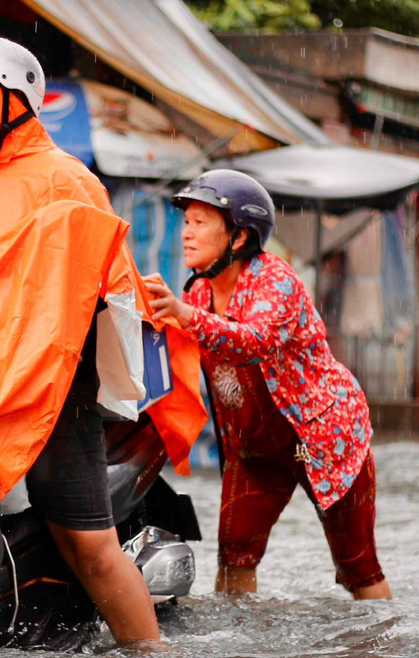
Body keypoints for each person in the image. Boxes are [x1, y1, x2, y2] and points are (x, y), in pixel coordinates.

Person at [0, 37, 162, 644]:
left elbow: (106, 285)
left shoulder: (67, 181)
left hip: (50, 387)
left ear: (12, 101)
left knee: (87, 543)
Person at [144, 170, 391, 600]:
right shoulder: (199, 293)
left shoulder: (275, 281)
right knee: (234, 556)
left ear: (239, 238)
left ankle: (377, 657)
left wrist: (184, 317)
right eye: (186, 222)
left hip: (322, 440)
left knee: (359, 569)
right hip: (257, 445)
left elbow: (254, 341)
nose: (186, 233)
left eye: (201, 223)